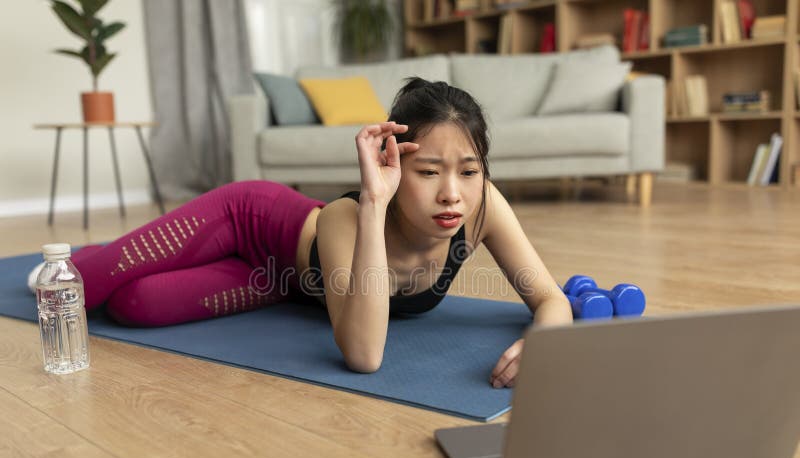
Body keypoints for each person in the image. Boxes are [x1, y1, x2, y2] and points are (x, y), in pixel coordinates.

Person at [33, 77, 572, 388]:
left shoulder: (481, 208)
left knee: (136, 307)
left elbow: (549, 297)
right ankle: (100, 255)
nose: (452, 192)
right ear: (392, 163)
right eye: (429, 171)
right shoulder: (348, 216)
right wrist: (372, 201)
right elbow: (365, 356)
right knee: (83, 283)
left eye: (470, 171)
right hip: (250, 217)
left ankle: (125, 257)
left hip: (279, 280)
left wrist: (542, 341)